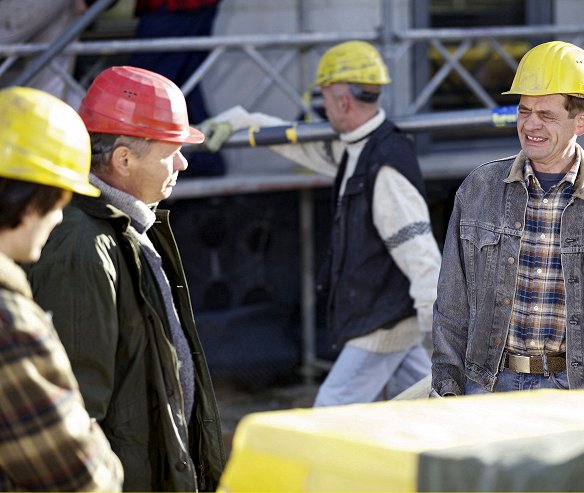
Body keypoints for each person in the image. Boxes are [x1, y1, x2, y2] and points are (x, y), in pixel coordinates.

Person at [201, 40, 442, 407]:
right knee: (437, 402)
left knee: (331, 411)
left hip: (383, 322)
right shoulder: (360, 149)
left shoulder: (384, 166)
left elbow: (420, 251)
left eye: (325, 99)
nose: (323, 108)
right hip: (392, 319)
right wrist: (243, 121)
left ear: (343, 101)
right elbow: (303, 146)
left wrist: (438, 330)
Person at [27, 66, 225, 491]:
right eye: (170, 151)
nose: (183, 163)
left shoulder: (129, 229)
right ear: (123, 159)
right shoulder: (84, 247)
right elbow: (79, 409)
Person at [430, 41, 584, 397]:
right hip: (489, 389)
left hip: (576, 393)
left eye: (547, 115)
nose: (530, 125)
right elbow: (451, 308)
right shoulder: (478, 190)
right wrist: (446, 388)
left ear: (582, 121)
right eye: (524, 111)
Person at [0, 86, 123, 491]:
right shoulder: (9, 321)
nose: (59, 218)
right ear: (34, 200)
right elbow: (76, 478)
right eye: (61, 201)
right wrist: (108, 465)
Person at [128, 0, 225, 176]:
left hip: (170, 6)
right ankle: (204, 161)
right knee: (180, 86)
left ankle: (149, 167)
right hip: (187, 7)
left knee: (151, 87)